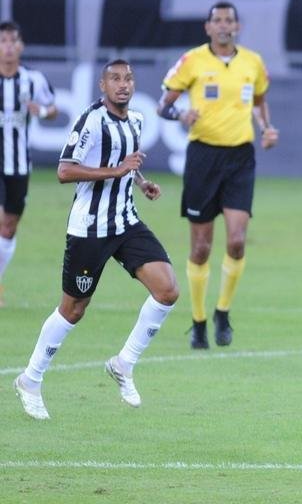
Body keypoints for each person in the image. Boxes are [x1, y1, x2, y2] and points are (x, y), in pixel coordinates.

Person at [13, 59, 177, 420]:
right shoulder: (91, 121)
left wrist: (139, 181)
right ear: (102, 86)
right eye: (115, 79)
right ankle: (30, 378)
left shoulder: (136, 120)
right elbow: (64, 169)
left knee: (167, 290)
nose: (123, 84)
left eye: (129, 78)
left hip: (126, 222)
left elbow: (125, 164)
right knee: (73, 310)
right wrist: (116, 170)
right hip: (89, 228)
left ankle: (123, 363)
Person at [157, 1, 277, 349]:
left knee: (237, 240)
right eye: (217, 20)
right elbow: (163, 105)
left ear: (237, 26)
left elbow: (258, 100)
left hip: (240, 158)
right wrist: (180, 114)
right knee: (201, 247)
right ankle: (198, 320)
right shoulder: (192, 60)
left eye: (229, 20)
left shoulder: (252, 62)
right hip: (203, 157)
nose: (224, 25)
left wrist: (267, 128)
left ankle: (222, 311)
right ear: (207, 28)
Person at [0, 21, 59, 306]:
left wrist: (43, 110)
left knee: (9, 226)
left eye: (13, 41)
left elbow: (54, 109)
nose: (8, 46)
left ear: (20, 46)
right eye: (3, 41)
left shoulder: (32, 80)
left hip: (18, 164)